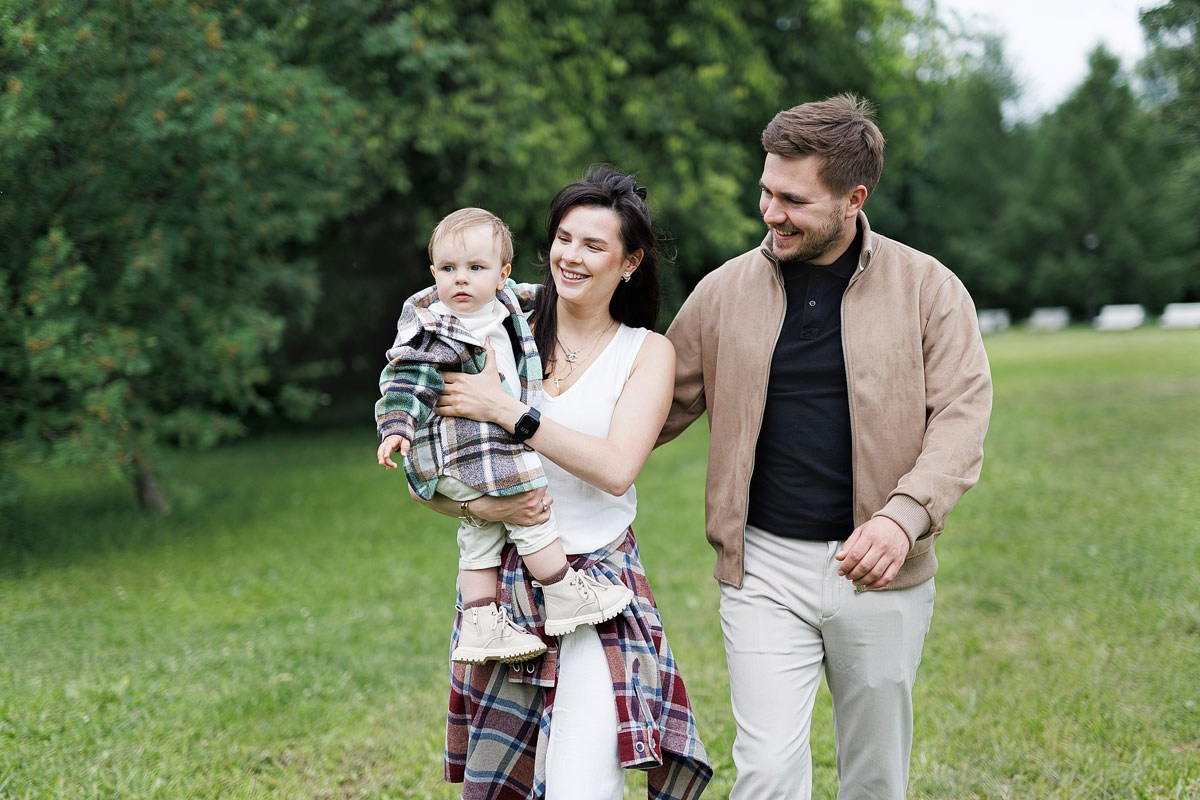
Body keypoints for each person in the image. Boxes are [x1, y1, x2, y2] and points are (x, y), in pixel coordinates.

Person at [658, 94, 993, 799]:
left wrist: (903, 519)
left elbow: (962, 418)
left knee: (874, 777)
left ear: (854, 198)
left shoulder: (928, 288)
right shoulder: (722, 293)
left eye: (793, 200)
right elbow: (651, 406)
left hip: (882, 570)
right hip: (763, 570)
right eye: (765, 191)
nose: (770, 212)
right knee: (768, 773)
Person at [416, 166, 710, 798]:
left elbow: (615, 466)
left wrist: (509, 412)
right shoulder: (494, 322)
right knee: (505, 786)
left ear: (629, 263)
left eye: (593, 245)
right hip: (503, 590)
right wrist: (496, 505)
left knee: (584, 782)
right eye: (564, 238)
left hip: (599, 586)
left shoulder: (646, 352)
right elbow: (433, 458)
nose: (571, 257)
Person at [375, 207, 633, 665]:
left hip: (481, 447)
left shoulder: (506, 304)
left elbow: (542, 295)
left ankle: (478, 621)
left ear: (501, 274)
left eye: (476, 269)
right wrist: (397, 428)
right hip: (465, 448)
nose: (461, 280)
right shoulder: (433, 328)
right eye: (449, 270)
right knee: (530, 504)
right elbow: (405, 384)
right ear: (433, 273)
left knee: (480, 540)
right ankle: (562, 591)